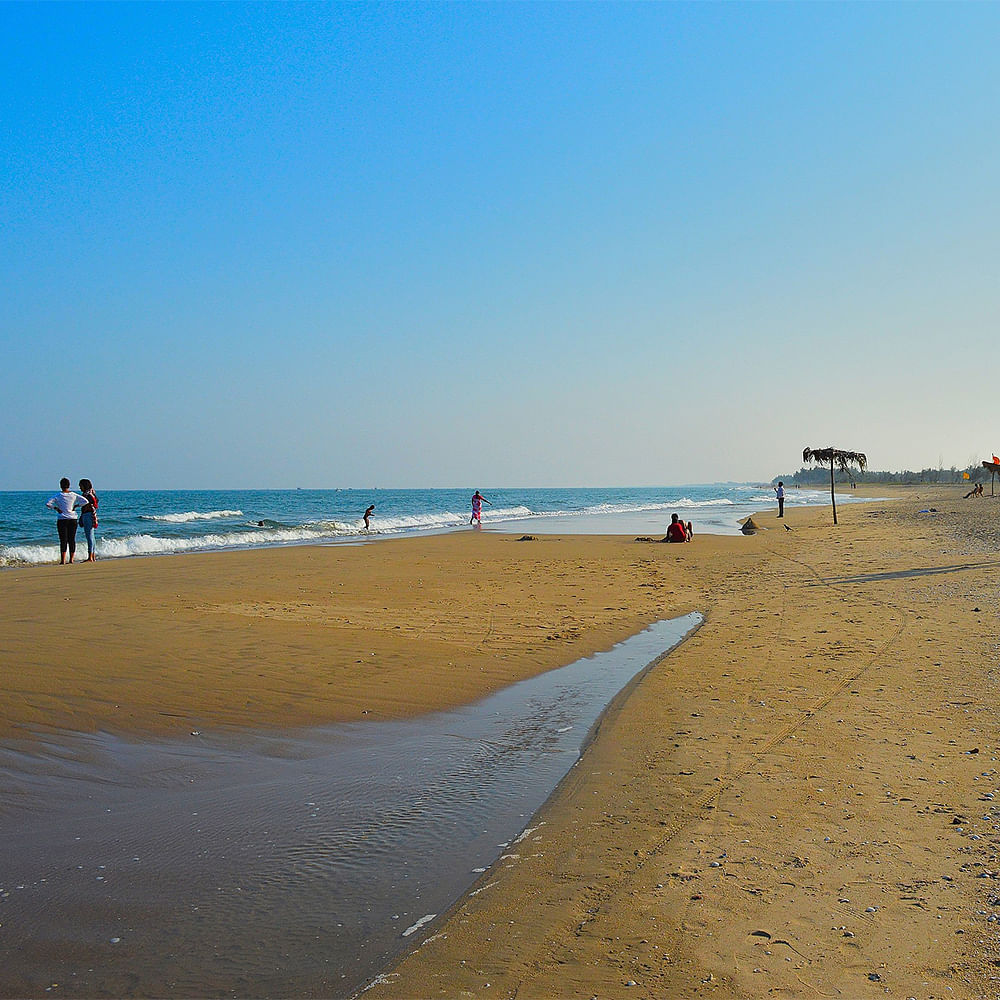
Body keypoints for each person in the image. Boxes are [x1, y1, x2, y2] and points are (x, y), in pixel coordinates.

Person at [45, 478, 88, 564]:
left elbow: (48, 503)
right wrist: (76, 506)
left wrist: (56, 508)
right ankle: (71, 559)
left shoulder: (58, 495)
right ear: (69, 485)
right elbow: (85, 501)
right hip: (72, 518)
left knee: (63, 540)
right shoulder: (73, 495)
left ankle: (63, 560)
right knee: (72, 539)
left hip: (62, 519)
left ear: (61, 486)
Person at [78, 478, 99, 562]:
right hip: (91, 515)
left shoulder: (87, 495)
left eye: (80, 486)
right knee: (91, 536)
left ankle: (90, 556)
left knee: (89, 536)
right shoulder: (92, 493)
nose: (80, 488)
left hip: (88, 515)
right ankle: (92, 556)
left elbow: (90, 504)